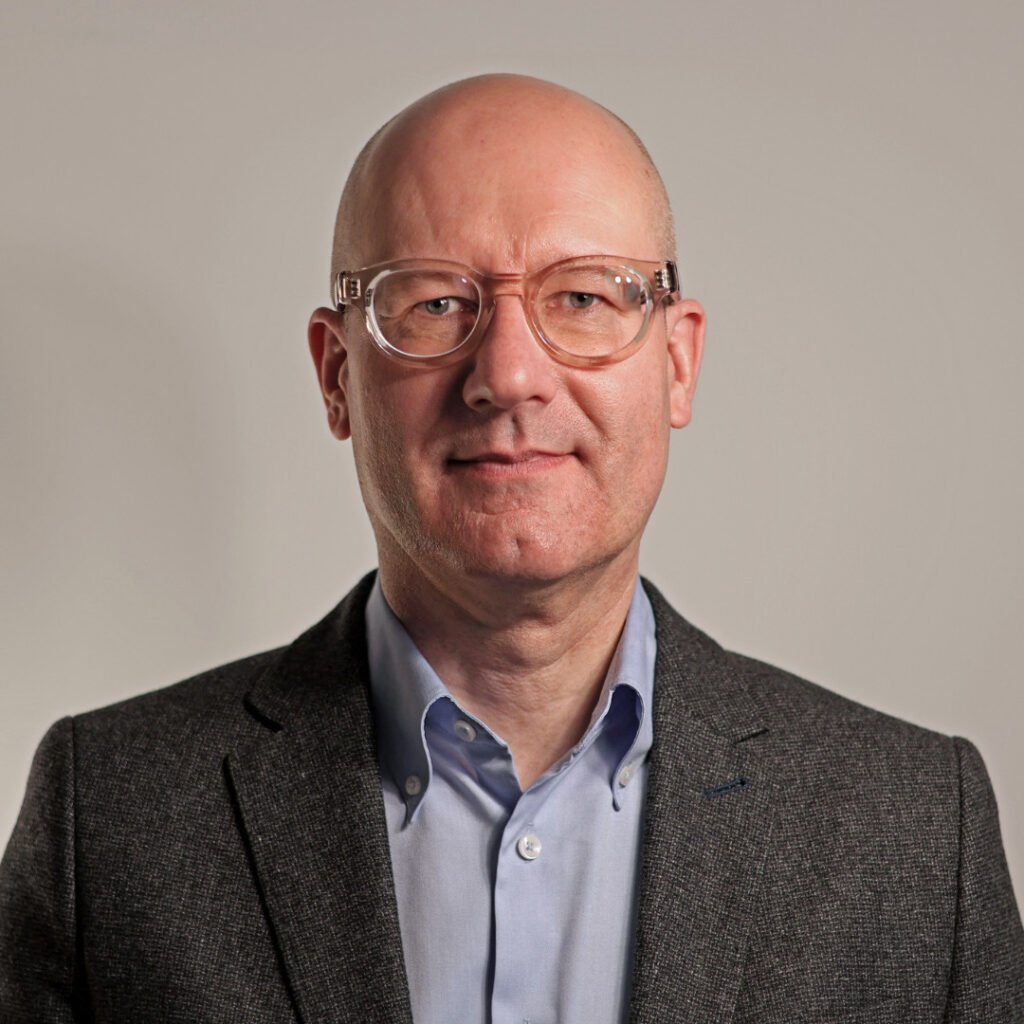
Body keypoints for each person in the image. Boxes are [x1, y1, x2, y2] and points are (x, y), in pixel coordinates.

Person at [1, 74, 1021, 1024]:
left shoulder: (917, 831)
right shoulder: (113, 814)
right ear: (334, 374)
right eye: (435, 302)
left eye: (581, 297)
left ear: (676, 362)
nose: (509, 375)